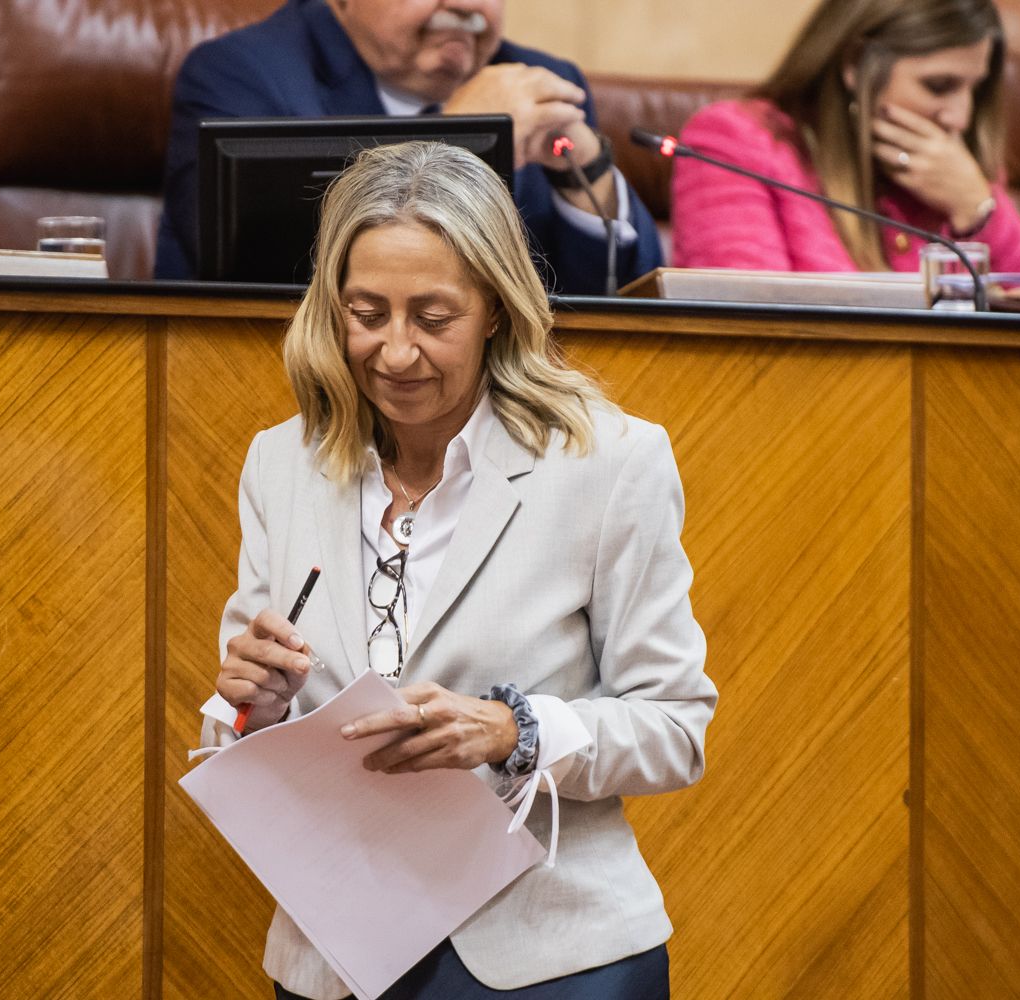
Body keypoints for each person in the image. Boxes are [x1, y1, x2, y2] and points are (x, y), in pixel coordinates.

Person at [197, 140, 716, 999]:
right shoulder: (281, 462)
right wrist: (252, 703)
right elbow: (239, 720)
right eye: (367, 314)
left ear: (497, 312)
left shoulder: (610, 461)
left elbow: (675, 726)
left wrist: (516, 732)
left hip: (548, 956)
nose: (395, 353)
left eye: (433, 320)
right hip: (336, 957)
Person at [154, 0, 665, 295]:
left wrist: (589, 177)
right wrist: (467, 140)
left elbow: (624, 301)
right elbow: (275, 281)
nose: (468, 8)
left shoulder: (540, 83)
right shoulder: (241, 77)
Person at [670, 0, 1020, 292]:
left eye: (974, 90)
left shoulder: (954, 173)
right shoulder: (733, 141)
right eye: (938, 86)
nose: (959, 117)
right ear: (856, 64)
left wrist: (978, 211)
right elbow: (745, 327)